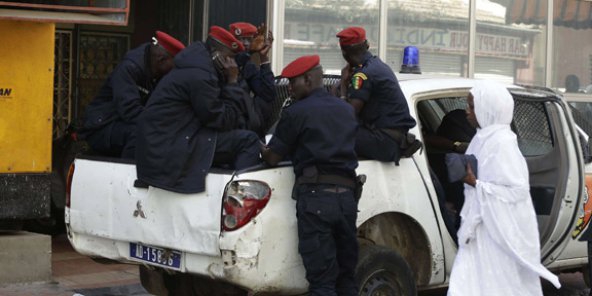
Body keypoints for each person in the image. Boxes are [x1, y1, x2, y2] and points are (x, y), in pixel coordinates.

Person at [447, 80, 561, 295]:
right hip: (481, 232)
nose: (467, 112)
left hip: (498, 238)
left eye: (472, 106)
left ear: (487, 109)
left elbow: (515, 192)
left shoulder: (502, 144)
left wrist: (475, 183)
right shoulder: (482, 139)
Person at [261, 55, 359, 296]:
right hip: (347, 199)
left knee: (322, 282)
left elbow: (273, 157)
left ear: (308, 79)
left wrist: (257, 146)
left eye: (293, 83)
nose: (290, 90)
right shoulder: (346, 110)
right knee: (346, 278)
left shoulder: (296, 113)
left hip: (316, 200)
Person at [135, 26, 261, 194]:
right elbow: (221, 119)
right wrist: (232, 81)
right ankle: (241, 197)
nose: (233, 65)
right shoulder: (201, 76)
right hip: (171, 144)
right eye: (229, 58)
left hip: (174, 136)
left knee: (245, 137)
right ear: (217, 55)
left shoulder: (199, 66)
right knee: (248, 141)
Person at [79, 31, 185, 159]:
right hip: (102, 127)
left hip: (120, 124)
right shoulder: (130, 68)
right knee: (142, 132)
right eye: (174, 65)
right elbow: (129, 110)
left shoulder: (157, 72)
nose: (175, 70)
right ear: (161, 60)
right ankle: (128, 173)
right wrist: (159, 123)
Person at [336, 26, 418, 164]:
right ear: (367, 45)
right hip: (390, 139)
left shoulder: (363, 74)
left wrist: (343, 86)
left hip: (384, 142)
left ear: (344, 53)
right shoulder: (377, 66)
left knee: (328, 134)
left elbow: (348, 114)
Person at [229, 22, 276, 137]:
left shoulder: (248, 66)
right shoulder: (222, 60)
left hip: (245, 126)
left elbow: (268, 94)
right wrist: (249, 52)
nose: (246, 44)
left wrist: (264, 58)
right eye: (241, 39)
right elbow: (236, 62)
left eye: (249, 40)